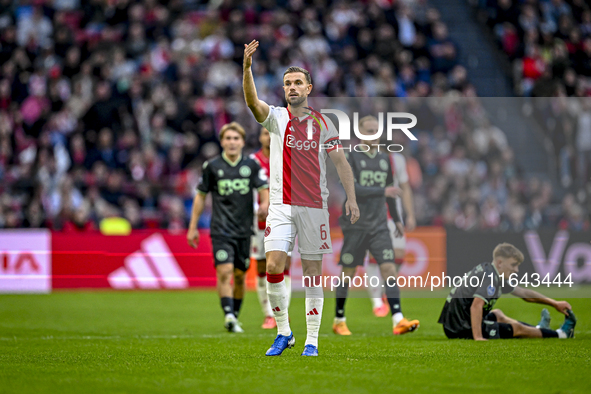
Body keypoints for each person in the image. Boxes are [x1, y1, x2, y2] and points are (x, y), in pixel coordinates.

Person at [243, 40, 360, 357]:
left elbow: (340, 163)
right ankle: (284, 333)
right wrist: (247, 69)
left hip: (313, 208)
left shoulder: (325, 123)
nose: (292, 87)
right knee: (273, 265)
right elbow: (253, 103)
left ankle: (312, 341)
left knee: (312, 273)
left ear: (308, 87)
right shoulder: (277, 118)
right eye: (287, 84)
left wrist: (351, 198)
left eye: (297, 83)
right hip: (281, 206)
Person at [333, 116, 420, 336]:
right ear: (360, 134)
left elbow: (392, 191)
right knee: (348, 272)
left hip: (380, 224)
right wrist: (383, 192)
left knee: (389, 268)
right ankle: (339, 319)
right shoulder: (350, 157)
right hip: (356, 224)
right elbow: (353, 189)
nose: (373, 135)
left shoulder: (385, 159)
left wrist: (398, 220)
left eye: (376, 131)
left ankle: (398, 319)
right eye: (368, 131)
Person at [187, 122, 269, 333]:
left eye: (236, 139)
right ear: (222, 142)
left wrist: (265, 204)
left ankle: (234, 315)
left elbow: (263, 189)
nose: (232, 142)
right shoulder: (212, 167)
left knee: (240, 276)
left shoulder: (251, 166)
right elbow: (200, 196)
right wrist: (193, 226)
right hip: (221, 229)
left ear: (242, 142)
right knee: (224, 271)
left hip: (244, 230)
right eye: (228, 138)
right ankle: (229, 315)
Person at [438, 243, 577, 340]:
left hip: (455, 323)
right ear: (500, 263)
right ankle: (562, 334)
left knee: (498, 314)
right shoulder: (491, 278)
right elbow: (476, 306)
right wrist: (478, 337)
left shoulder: (491, 272)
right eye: (513, 265)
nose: (516, 270)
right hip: (460, 327)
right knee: (516, 328)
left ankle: (539, 328)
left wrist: (554, 303)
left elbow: (525, 294)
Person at [366, 137, 417, 327]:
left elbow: (405, 188)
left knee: (399, 257)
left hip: (394, 216)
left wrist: (410, 214)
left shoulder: (398, 161)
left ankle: (387, 291)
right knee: (374, 258)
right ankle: (377, 301)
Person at [251, 126, 292, 330]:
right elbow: (247, 191)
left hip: (285, 219)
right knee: (262, 268)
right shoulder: (252, 161)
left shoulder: (288, 157)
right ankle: (268, 313)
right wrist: (257, 208)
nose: (269, 137)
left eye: (272, 133)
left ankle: (282, 312)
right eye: (265, 133)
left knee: (284, 266)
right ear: (260, 137)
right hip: (259, 222)